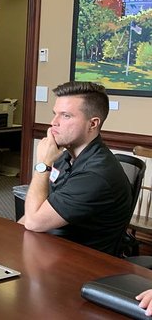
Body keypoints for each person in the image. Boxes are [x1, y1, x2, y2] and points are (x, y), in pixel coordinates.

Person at [17, 81, 131, 255]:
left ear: (92, 124)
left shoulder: (96, 174)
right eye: (55, 114)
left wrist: (42, 164)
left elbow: (34, 222)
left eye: (66, 116)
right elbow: (38, 210)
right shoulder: (65, 156)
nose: (54, 122)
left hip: (82, 265)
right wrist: (14, 235)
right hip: (52, 247)